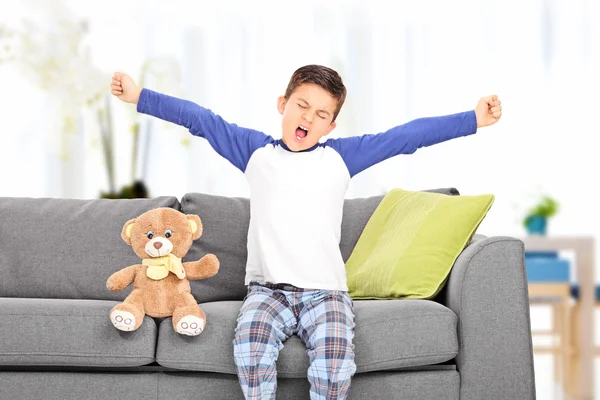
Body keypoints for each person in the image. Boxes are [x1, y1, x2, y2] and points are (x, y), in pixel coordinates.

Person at [111, 64, 502, 400]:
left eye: (320, 114)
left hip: (326, 294)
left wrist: (473, 119)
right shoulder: (255, 153)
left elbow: (406, 137)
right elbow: (201, 119)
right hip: (267, 291)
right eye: (301, 106)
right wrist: (139, 95)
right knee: (250, 349)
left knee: (335, 364)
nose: (308, 118)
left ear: (331, 124)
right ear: (283, 105)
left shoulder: (342, 158)